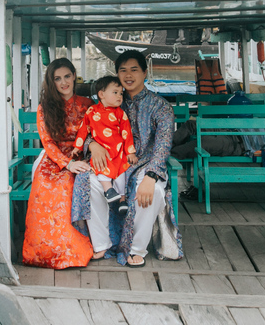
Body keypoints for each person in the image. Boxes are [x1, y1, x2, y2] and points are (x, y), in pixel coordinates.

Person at [72, 50, 183, 267]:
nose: (128, 75)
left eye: (134, 70)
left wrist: (151, 176)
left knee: (153, 191)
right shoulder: (109, 100)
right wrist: (91, 145)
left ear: (144, 73)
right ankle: (102, 244)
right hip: (112, 161)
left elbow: (163, 145)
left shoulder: (160, 106)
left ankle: (137, 249)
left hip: (146, 164)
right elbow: (88, 130)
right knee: (88, 181)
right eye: (123, 70)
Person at [22, 58, 94, 269]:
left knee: (70, 184)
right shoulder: (45, 107)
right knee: (46, 184)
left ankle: (71, 250)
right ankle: (43, 251)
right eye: (57, 79)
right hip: (55, 158)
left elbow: (96, 133)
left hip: (82, 155)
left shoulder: (88, 104)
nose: (63, 82)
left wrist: (84, 155)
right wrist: (66, 164)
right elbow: (47, 142)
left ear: (74, 76)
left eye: (67, 77)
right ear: (51, 82)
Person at [71, 75, 137, 214]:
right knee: (100, 167)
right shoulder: (92, 111)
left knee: (121, 172)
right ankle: (109, 191)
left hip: (118, 151)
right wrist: (77, 147)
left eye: (121, 93)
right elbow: (84, 129)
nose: (120, 96)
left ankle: (122, 200)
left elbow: (127, 132)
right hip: (102, 150)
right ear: (101, 94)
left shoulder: (120, 113)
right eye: (115, 92)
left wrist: (130, 151)